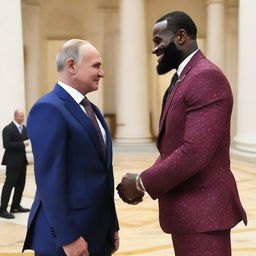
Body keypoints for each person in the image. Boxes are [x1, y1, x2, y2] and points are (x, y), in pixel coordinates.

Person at [117, 11, 247, 256]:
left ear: (181, 36)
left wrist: (141, 183)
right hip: (189, 215)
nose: (154, 49)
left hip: (204, 215)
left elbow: (194, 152)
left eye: (158, 40)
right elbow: (171, 148)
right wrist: (145, 181)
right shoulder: (184, 77)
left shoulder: (205, 76)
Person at [23, 39, 119, 256]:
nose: (102, 73)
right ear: (72, 66)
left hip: (97, 232)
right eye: (96, 66)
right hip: (66, 241)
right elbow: (49, 181)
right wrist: (68, 238)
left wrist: (112, 227)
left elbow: (102, 173)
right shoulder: (48, 108)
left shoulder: (91, 109)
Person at [0, 109, 30, 219]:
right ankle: (2, 209)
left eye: (23, 116)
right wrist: (22, 144)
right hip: (12, 162)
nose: (22, 119)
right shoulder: (8, 129)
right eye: (21, 116)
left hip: (22, 161)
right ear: (15, 116)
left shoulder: (24, 128)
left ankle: (16, 206)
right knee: (9, 185)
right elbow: (6, 145)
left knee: (20, 185)